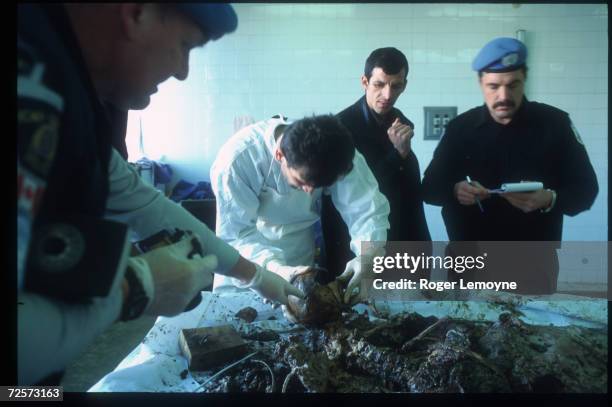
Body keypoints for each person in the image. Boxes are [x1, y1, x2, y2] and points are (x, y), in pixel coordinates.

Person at [18, 3, 301, 385]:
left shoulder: (71, 90)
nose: (183, 72)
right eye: (185, 44)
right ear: (137, 13)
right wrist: (135, 287)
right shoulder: (31, 80)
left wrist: (257, 278)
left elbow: (147, 205)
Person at [421, 37, 598, 294]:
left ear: (524, 79)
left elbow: (586, 190)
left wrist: (549, 198)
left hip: (534, 262)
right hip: (470, 261)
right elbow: (429, 189)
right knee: (468, 330)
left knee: (533, 331)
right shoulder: (461, 128)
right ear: (481, 83)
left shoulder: (555, 124)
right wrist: (456, 189)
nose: (503, 96)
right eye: (494, 86)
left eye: (512, 85)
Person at [210, 114, 391, 304]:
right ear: (280, 156)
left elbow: (366, 209)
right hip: (242, 262)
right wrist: (274, 270)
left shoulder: (340, 153)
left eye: (321, 185)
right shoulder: (237, 160)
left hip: (298, 253)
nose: (310, 191)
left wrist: (369, 254)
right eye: (301, 182)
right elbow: (237, 235)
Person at [321, 47, 432, 282]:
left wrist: (423, 247)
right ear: (365, 81)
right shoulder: (339, 128)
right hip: (353, 246)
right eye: (379, 84)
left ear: (405, 84)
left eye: (396, 85)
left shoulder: (401, 122)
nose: (388, 94)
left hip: (401, 241)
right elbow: (358, 192)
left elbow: (410, 193)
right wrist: (397, 155)